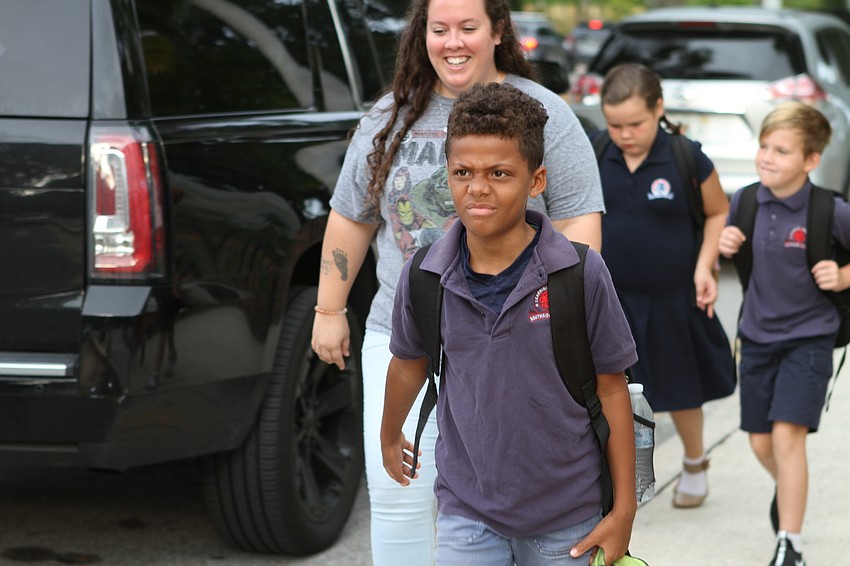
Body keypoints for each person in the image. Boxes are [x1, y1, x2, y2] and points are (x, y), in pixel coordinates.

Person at [310, 0, 605, 563]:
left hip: (522, 335)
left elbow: (578, 220)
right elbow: (352, 216)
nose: (453, 43)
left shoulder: (544, 112)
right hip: (406, 338)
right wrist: (329, 309)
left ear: (497, 31)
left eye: (468, 28)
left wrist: (575, 313)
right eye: (439, 29)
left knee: (504, 496)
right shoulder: (387, 119)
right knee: (399, 490)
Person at [381, 81, 638, 566]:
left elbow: (611, 388)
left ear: (535, 180)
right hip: (467, 511)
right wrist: (390, 433)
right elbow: (409, 364)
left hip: (569, 518)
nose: (477, 188)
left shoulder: (579, 273)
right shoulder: (424, 274)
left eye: (499, 173)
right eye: (462, 172)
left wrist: (623, 509)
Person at [594, 63, 736, 509]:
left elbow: (718, 212)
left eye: (635, 123)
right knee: (613, 392)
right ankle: (620, 478)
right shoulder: (596, 153)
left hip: (674, 298)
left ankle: (695, 461)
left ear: (659, 108)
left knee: (680, 388)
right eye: (615, 124)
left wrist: (705, 266)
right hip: (612, 301)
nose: (625, 134)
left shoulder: (685, 156)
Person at [719, 102, 848, 566]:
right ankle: (792, 489)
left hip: (809, 337)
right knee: (760, 441)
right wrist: (726, 244)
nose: (767, 157)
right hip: (756, 336)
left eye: (782, 150)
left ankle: (788, 542)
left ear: (811, 160)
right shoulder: (746, 200)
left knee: (787, 437)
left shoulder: (829, 210)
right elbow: (742, 250)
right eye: (763, 146)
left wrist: (844, 274)